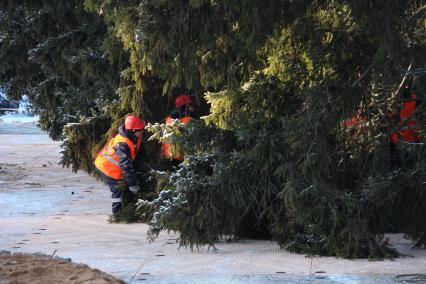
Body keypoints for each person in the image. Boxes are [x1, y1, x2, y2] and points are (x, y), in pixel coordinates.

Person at [95, 114, 145, 214]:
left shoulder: (132, 138)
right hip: (107, 167)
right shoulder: (123, 144)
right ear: (132, 131)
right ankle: (117, 213)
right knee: (117, 189)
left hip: (111, 165)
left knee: (123, 186)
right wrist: (133, 185)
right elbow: (126, 166)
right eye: (140, 130)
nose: (142, 132)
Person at [161, 94, 194, 163]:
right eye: (190, 104)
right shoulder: (188, 119)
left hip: (168, 154)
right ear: (187, 105)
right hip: (181, 157)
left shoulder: (169, 118)